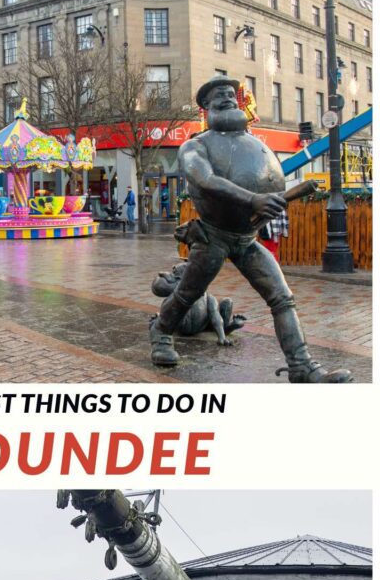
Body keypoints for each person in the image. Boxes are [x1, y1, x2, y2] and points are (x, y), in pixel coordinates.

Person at [149, 75, 351, 383]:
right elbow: (205, 179)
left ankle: (302, 365)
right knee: (188, 293)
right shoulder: (195, 145)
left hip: (246, 237)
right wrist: (254, 198)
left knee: (282, 298)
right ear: (206, 106)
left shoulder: (253, 142)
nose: (228, 98)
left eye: (231, 93)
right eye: (219, 95)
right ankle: (161, 332)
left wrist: (272, 199)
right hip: (213, 235)